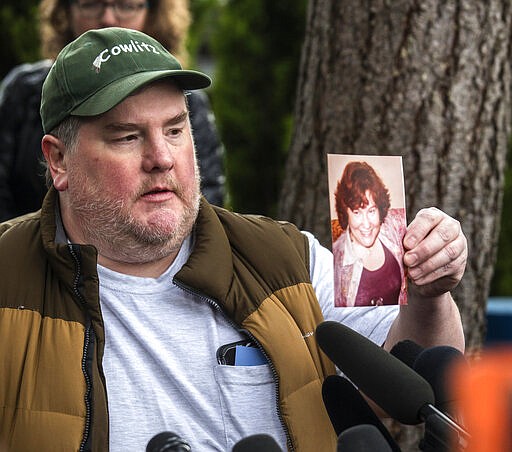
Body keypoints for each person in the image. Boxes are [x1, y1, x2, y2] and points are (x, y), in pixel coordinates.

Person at [0, 28, 466, 452]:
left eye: (175, 129)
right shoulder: (8, 279)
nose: (161, 157)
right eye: (127, 137)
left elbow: (402, 387)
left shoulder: (286, 260)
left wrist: (427, 297)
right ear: (58, 161)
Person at [0, 0, 224, 222]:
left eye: (125, 5)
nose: (107, 17)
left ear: (154, 13)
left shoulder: (189, 98)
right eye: (91, 4)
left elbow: (207, 198)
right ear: (66, 12)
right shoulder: (24, 91)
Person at [333, 161, 407, 307]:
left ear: (379, 210)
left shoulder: (396, 225)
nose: (366, 224)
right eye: (356, 212)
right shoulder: (336, 259)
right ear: (345, 213)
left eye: (371, 211)